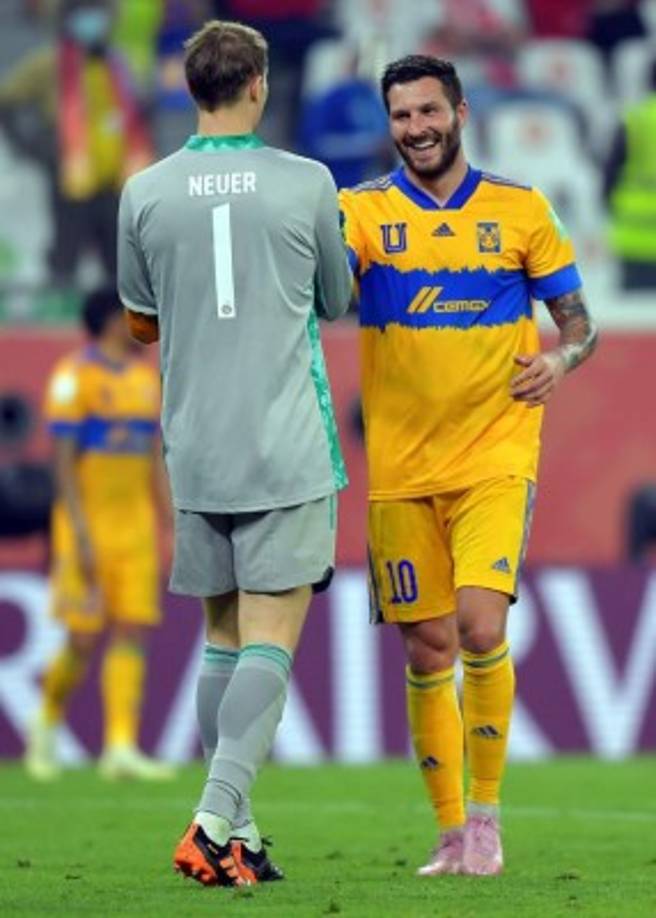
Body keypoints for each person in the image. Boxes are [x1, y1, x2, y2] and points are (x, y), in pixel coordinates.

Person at [339, 55, 598, 877]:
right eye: (400, 116)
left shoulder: (520, 209)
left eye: (427, 111)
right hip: (402, 470)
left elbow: (579, 324)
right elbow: (319, 291)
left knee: (482, 627)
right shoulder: (362, 214)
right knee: (426, 650)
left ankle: (485, 819)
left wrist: (559, 362)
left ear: (459, 111)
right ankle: (448, 831)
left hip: (496, 452)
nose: (415, 128)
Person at [118, 20, 351, 887]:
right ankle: (213, 822)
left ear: (191, 88)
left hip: (195, 451)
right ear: (258, 82)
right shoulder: (305, 181)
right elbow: (335, 297)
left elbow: (139, 320)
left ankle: (244, 835)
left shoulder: (143, 190)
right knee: (271, 642)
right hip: (283, 445)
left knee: (222, 637)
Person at [25, 288, 174, 781]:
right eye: (130, 315)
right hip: (85, 528)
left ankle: (120, 746)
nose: (139, 324)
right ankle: (44, 725)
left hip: (134, 529)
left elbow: (153, 457)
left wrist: (170, 516)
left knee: (132, 628)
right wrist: (79, 534)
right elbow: (62, 464)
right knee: (84, 637)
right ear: (112, 320)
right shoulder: (74, 377)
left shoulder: (143, 380)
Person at [0, 0, 152, 284]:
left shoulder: (119, 64)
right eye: (85, 12)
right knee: (65, 260)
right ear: (68, 18)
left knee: (120, 263)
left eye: (99, 12)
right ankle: (59, 325)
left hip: (117, 182)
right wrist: (33, 147)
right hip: (71, 180)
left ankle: (115, 324)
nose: (94, 20)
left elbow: (139, 115)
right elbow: (7, 100)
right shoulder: (49, 63)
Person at [605, 58, 656, 290]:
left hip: (634, 229)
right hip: (634, 228)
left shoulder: (634, 117)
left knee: (638, 315)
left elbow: (611, 169)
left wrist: (610, 203)